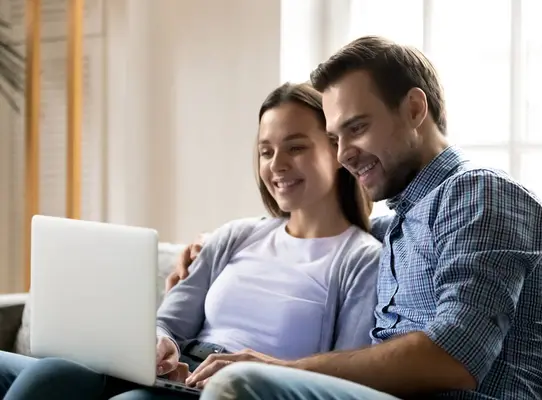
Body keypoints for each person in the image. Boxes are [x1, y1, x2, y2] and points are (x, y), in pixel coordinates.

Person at [170, 36, 542, 400]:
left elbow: (455, 354)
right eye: (336, 138)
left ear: (414, 110)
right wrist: (213, 246)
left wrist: (285, 369)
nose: (343, 155)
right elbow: (320, 234)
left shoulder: (479, 194)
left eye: (357, 128)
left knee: (242, 382)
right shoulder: (402, 221)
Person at [0, 82, 382, 399]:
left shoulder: (362, 259)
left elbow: (342, 377)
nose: (276, 164)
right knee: (49, 376)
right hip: (178, 377)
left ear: (336, 151)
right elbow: (168, 324)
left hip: (234, 391)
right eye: (266, 151)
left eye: (296, 147)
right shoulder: (236, 236)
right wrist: (160, 347)